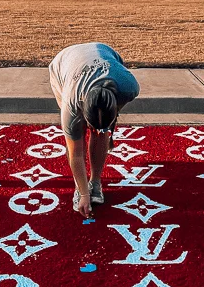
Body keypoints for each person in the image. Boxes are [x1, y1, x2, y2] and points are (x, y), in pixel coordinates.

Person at [49, 42, 139, 218]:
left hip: (105, 54)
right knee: (76, 136)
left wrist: (106, 128)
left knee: (102, 132)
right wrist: (83, 195)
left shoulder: (129, 87)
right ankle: (80, 187)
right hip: (64, 64)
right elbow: (75, 154)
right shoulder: (72, 104)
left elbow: (108, 118)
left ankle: (95, 182)